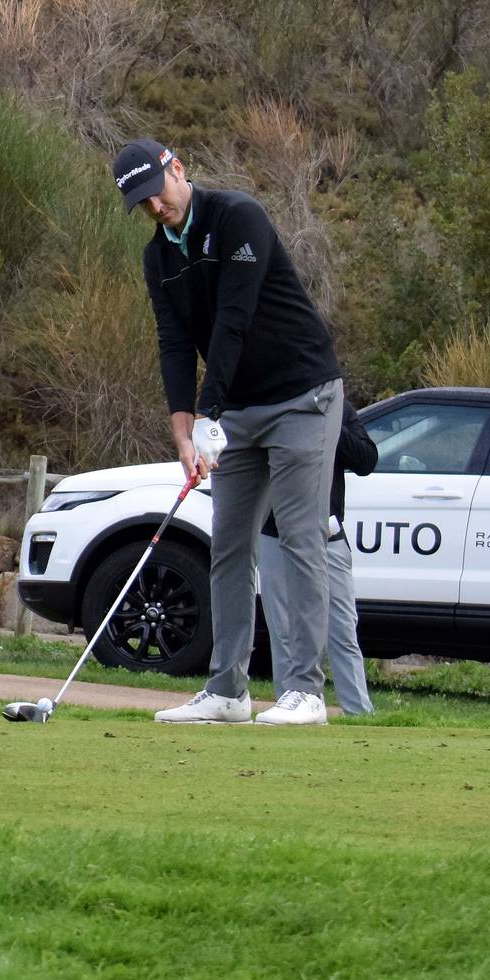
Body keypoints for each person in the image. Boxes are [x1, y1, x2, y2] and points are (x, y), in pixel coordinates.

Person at [116, 138, 346, 728]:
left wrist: (210, 413)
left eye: (157, 193)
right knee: (230, 544)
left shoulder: (238, 216)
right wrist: (184, 436)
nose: (155, 209)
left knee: (297, 540)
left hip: (302, 396)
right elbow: (173, 345)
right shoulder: (157, 257)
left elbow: (232, 321)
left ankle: (304, 692)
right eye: (142, 203)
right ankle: (228, 690)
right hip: (237, 410)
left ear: (178, 170)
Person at [257, 402, 379, 716]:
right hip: (276, 532)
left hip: (327, 533)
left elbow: (366, 460)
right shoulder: (270, 407)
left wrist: (327, 424)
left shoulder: (337, 410)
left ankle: (359, 713)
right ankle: (291, 704)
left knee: (342, 627)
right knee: (284, 629)